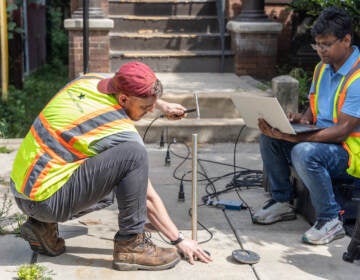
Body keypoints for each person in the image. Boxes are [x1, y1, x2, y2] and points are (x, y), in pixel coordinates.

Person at [10, 61, 212, 270]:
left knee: (113, 175)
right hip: (45, 202)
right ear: (123, 99)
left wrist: (163, 105)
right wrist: (178, 240)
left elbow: (130, 94)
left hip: (23, 190)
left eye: (153, 105)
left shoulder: (88, 80)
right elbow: (147, 196)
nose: (151, 111)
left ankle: (42, 227)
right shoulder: (116, 130)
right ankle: (131, 245)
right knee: (133, 157)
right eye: (145, 107)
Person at [253, 6, 360, 245]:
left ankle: (330, 220)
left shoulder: (358, 78)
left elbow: (342, 131)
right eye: (317, 44)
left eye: (326, 44)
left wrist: (298, 138)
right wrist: (296, 122)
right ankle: (282, 201)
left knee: (304, 152)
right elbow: (311, 114)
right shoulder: (322, 68)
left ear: (346, 40)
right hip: (326, 143)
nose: (321, 50)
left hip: (351, 154)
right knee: (270, 137)